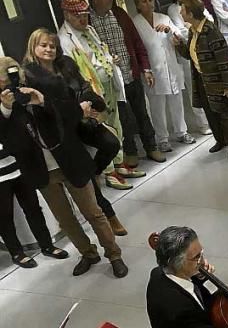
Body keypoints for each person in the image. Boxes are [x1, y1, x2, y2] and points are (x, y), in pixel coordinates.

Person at [0, 57, 126, 278]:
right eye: (3, 80)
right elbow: (7, 141)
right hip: (41, 170)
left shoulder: (43, 85)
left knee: (93, 213)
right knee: (66, 219)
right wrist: (6, 109)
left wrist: (41, 102)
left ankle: (114, 255)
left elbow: (71, 115)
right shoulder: (4, 106)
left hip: (70, 160)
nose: (9, 84)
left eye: (11, 77)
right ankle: (88, 253)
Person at [23, 27, 130, 236]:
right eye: (43, 45)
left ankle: (94, 172)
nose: (49, 50)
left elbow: (83, 86)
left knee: (111, 144)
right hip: (59, 131)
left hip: (81, 118)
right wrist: (75, 110)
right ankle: (110, 216)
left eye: (52, 46)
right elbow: (47, 108)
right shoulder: (29, 75)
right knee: (87, 177)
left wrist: (90, 106)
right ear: (33, 47)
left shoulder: (66, 64)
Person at [58, 0, 144, 188]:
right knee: (103, 129)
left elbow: (99, 52)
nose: (83, 19)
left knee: (116, 124)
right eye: (77, 16)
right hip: (92, 91)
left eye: (85, 15)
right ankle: (109, 171)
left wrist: (109, 59)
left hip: (108, 83)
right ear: (66, 15)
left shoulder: (89, 30)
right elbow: (72, 72)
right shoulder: (64, 40)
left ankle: (120, 163)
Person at [86, 0, 167, 169]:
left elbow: (137, 42)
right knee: (123, 118)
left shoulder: (119, 14)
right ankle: (130, 151)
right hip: (111, 80)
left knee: (141, 112)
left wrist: (145, 68)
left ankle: (151, 146)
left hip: (131, 73)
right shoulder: (88, 21)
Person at [172, 0, 228, 160]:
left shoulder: (210, 31)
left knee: (226, 113)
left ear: (190, 13)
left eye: (183, 10)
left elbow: (224, 59)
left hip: (218, 82)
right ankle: (221, 140)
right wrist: (179, 45)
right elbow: (191, 55)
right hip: (203, 80)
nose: (180, 12)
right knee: (211, 113)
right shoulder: (193, 31)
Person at [0, 62, 68, 269]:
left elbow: (24, 124)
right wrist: (5, 108)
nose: (8, 80)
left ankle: (46, 245)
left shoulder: (14, 95)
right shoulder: (5, 101)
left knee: (32, 207)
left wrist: (24, 99)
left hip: (20, 162)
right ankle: (16, 252)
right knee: (4, 214)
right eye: (6, 75)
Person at [133, 0, 195, 154]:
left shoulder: (164, 18)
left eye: (151, 0)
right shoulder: (136, 23)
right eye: (144, 1)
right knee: (156, 105)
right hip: (152, 70)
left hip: (171, 66)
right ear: (138, 5)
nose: (149, 4)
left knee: (176, 100)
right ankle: (162, 138)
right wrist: (144, 69)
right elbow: (137, 48)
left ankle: (182, 132)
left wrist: (169, 30)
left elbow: (180, 36)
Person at [167, 0, 212, 137]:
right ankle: (203, 123)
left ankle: (214, 118)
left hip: (205, 50)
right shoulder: (173, 10)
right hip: (188, 53)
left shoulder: (196, 2)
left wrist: (190, 26)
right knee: (195, 90)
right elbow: (181, 32)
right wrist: (193, 25)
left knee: (210, 86)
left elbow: (210, 22)